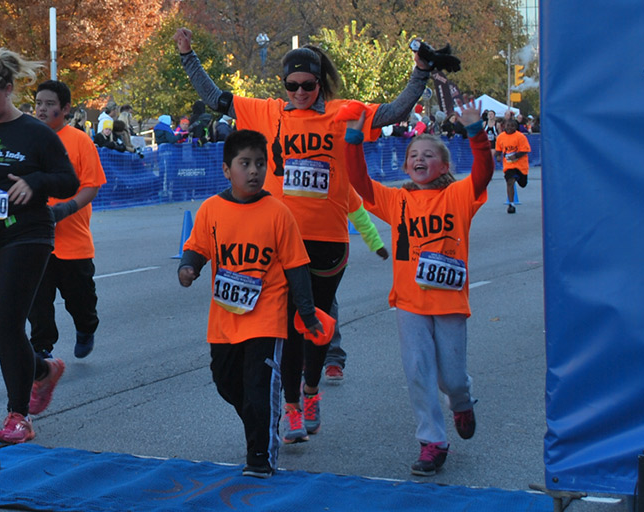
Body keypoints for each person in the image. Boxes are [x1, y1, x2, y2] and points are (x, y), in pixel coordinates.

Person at [174, 26, 436, 444]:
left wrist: (419, 72)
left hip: (329, 240)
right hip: (280, 239)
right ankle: (293, 405)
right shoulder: (269, 113)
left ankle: (311, 391)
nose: (299, 92)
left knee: (316, 322)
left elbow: (393, 113)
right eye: (292, 85)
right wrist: (188, 55)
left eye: (308, 85)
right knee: (291, 325)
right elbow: (216, 98)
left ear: (319, 83)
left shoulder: (343, 113)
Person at [342, 97, 493, 476]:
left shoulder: (457, 196)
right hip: (409, 301)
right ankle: (432, 442)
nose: (420, 160)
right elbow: (359, 183)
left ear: (444, 165)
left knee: (451, 377)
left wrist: (475, 131)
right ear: (405, 163)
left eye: (429, 155)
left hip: (449, 303)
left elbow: (484, 174)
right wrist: (353, 142)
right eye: (414, 155)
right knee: (418, 371)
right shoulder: (397, 200)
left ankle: (461, 402)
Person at [177, 129, 322, 478]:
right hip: (224, 319)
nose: (254, 171)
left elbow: (297, 267)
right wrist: (188, 267)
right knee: (226, 382)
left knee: (258, 389)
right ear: (227, 170)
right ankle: (263, 419)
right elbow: (198, 247)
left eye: (260, 163)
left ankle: (260, 457)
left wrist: (307, 312)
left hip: (266, 318)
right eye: (245, 164)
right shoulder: (212, 208)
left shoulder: (278, 212)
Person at [0, 48, 79, 443]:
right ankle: (42, 370)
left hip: (26, 233)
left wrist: (35, 183)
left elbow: (67, 180)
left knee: (7, 320)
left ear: (7, 89)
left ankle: (18, 417)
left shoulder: (35, 133)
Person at [28, 80, 107, 360]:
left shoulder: (79, 140)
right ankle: (42, 348)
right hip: (36, 239)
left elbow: (92, 185)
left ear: (65, 108)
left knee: (80, 300)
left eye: (49, 104)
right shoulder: (29, 140)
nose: (41, 109)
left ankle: (86, 328)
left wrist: (66, 208)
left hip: (72, 240)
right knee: (38, 302)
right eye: (38, 103)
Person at [323, 188, 389, 382]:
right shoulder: (287, 176)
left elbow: (357, 211)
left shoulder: (337, 177)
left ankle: (333, 358)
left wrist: (375, 243)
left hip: (329, 251)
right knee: (296, 303)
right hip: (294, 250)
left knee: (327, 303)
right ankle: (301, 357)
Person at [495, 117, 530, 214]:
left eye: (512, 126)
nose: (509, 128)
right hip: (509, 166)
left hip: (521, 166)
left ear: (515, 127)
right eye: (507, 126)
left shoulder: (520, 137)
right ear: (504, 126)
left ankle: (518, 177)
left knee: (523, 184)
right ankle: (511, 204)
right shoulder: (500, 137)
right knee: (510, 182)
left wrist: (515, 156)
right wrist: (497, 156)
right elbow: (498, 149)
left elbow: (525, 150)